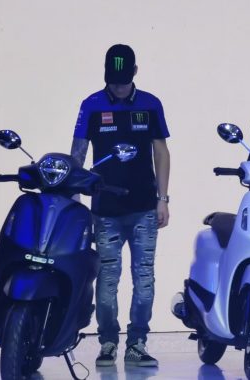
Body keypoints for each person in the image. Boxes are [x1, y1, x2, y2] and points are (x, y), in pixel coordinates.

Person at [70, 44, 170, 367]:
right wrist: (75, 199)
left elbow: (161, 152)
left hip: (144, 209)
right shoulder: (91, 105)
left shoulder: (151, 104)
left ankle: (137, 342)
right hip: (105, 211)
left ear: (135, 73)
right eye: (113, 81)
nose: (119, 87)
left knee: (144, 279)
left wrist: (163, 199)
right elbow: (77, 154)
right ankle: (108, 342)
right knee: (107, 280)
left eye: (124, 81)